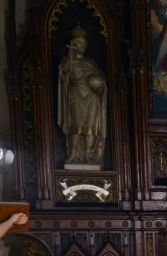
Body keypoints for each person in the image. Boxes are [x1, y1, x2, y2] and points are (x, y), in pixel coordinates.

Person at [57, 25, 107, 166]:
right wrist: (70, 57)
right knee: (76, 124)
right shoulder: (68, 60)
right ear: (73, 44)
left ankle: (88, 154)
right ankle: (73, 154)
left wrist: (100, 84)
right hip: (76, 94)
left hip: (92, 96)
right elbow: (63, 73)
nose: (83, 46)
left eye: (84, 44)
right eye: (80, 43)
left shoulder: (91, 63)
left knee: (92, 126)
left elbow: (101, 77)